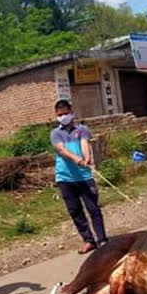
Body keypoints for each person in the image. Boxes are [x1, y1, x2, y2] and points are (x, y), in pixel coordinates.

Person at [50, 99, 107, 254]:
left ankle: (102, 239)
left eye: (66, 113)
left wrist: (86, 158)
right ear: (56, 116)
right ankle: (88, 240)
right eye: (60, 114)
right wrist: (77, 159)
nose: (63, 117)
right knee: (75, 211)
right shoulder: (55, 133)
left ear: (72, 113)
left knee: (93, 209)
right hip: (65, 178)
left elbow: (84, 144)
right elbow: (61, 150)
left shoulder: (82, 129)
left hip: (84, 177)